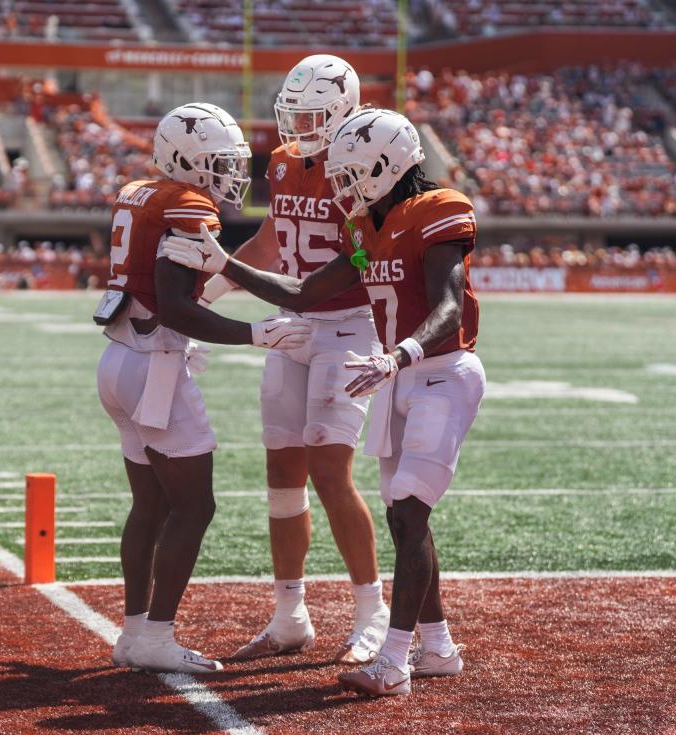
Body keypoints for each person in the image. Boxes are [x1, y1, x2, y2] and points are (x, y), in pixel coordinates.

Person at [164, 108, 485, 696]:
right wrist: (223, 269)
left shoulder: (438, 211)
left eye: (351, 174)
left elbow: (447, 305)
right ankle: (436, 644)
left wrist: (401, 353)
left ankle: (390, 650)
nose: (340, 188)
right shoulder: (366, 232)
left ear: (385, 165)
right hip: (390, 370)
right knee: (400, 511)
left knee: (402, 507)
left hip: (424, 366)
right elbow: (307, 289)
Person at [94, 103, 311, 674]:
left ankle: (135, 633)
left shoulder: (140, 192)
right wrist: (256, 333)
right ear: (187, 159)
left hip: (118, 359)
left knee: (150, 504)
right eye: (219, 162)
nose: (230, 173)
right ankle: (158, 636)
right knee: (195, 505)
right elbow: (177, 309)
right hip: (155, 365)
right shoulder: (187, 205)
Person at [195, 54, 389, 664]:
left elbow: (368, 255)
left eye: (312, 113)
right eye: (294, 112)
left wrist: (300, 298)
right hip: (296, 320)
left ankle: (371, 612)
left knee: (331, 471)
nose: (298, 125)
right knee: (282, 475)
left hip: (348, 324)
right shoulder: (281, 161)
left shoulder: (360, 161)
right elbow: (274, 238)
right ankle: (289, 615)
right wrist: (213, 287)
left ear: (342, 111)